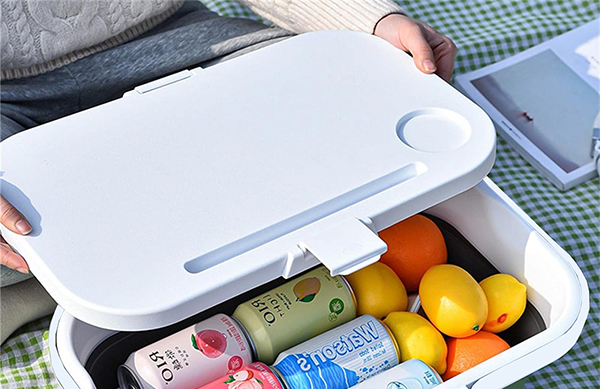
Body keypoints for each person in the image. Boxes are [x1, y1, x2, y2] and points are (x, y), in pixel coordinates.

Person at [0, 0, 457, 344]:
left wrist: (374, 24)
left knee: (355, 118)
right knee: (19, 235)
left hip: (183, 39)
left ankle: (109, 262)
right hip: (11, 97)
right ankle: (76, 275)